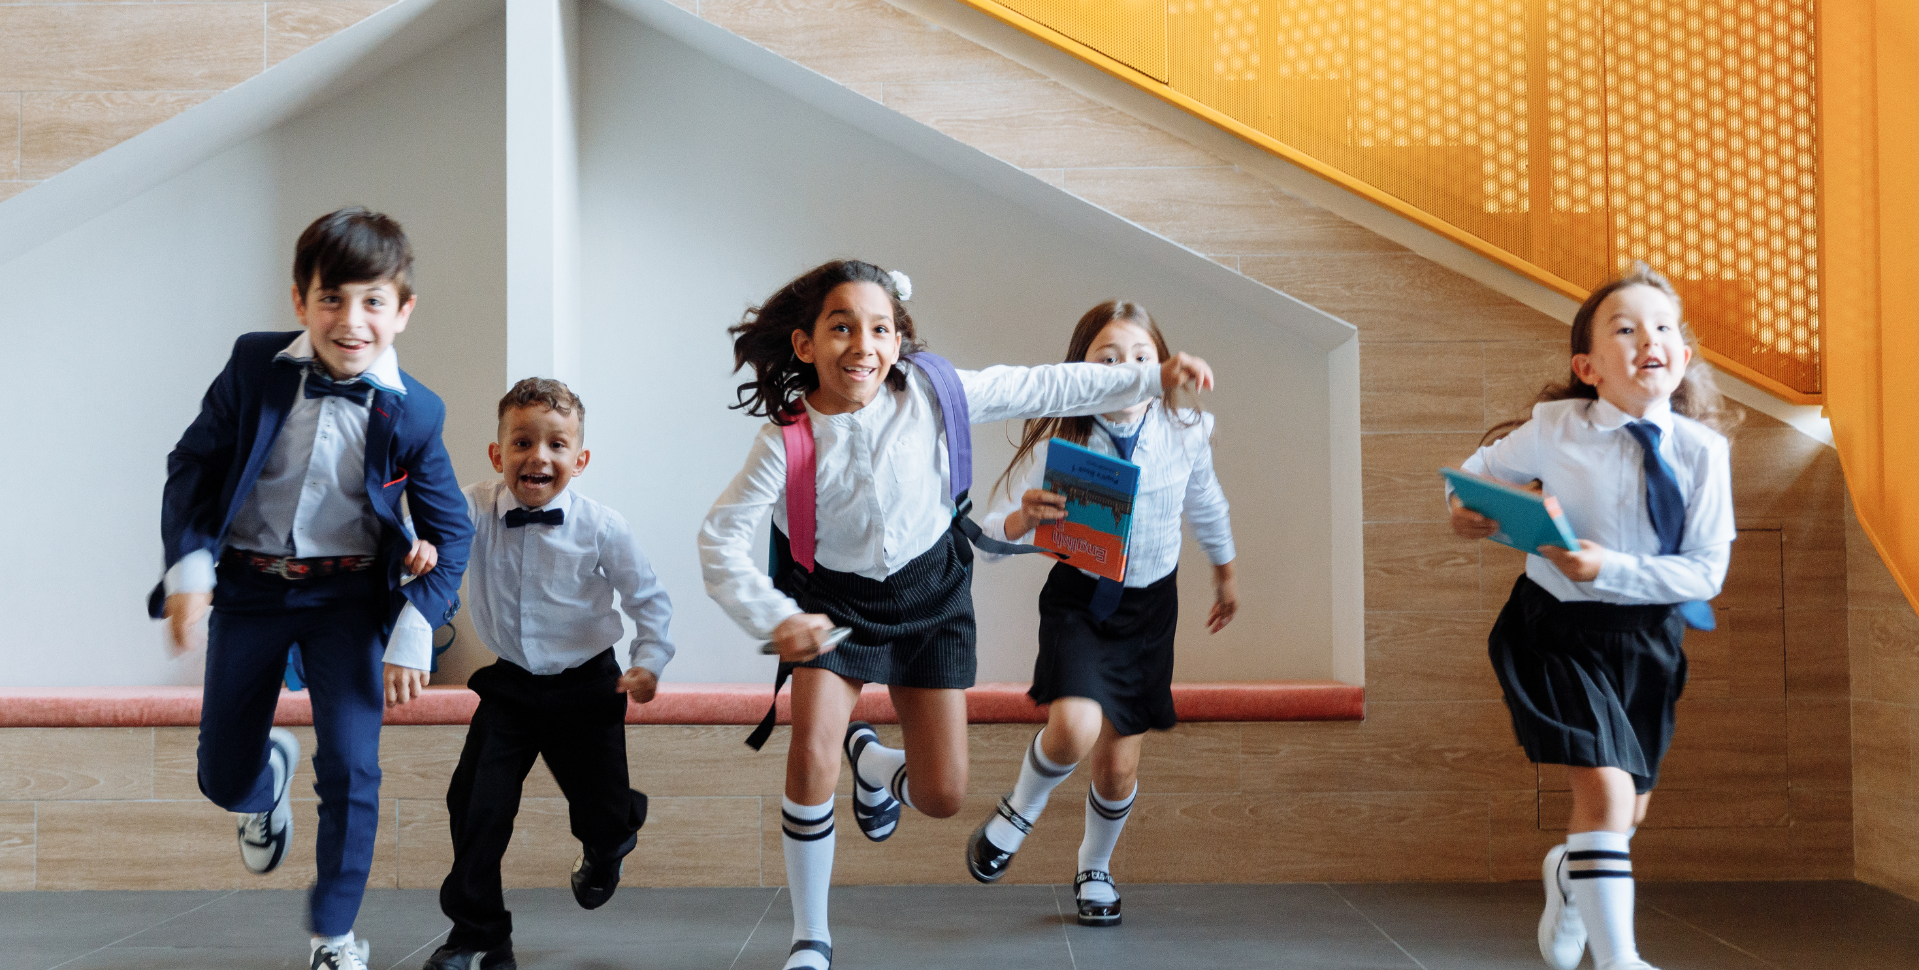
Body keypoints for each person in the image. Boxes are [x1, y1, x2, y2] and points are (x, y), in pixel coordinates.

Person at [698, 260, 1214, 970]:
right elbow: (719, 538)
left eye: (880, 329)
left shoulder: (934, 394)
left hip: (931, 597)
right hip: (832, 607)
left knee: (942, 794)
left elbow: (1044, 384)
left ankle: (872, 764)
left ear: (898, 339)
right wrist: (772, 616)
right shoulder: (784, 441)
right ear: (805, 344)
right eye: (841, 328)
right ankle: (810, 937)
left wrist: (1150, 379)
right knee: (811, 752)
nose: (863, 345)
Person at [153, 207, 472, 970]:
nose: (351, 321)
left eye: (373, 301)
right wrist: (190, 569)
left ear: (403, 311)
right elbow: (192, 465)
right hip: (249, 588)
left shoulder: (418, 412)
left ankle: (334, 937)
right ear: (300, 300)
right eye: (332, 298)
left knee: (353, 769)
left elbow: (453, 533)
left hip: (348, 602)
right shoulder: (253, 364)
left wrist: (413, 628)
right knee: (220, 775)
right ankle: (263, 782)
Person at [1448, 264, 1739, 970]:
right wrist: (1463, 510)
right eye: (1626, 328)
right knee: (1605, 794)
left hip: (1647, 638)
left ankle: (1569, 875)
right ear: (1588, 367)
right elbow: (1472, 478)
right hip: (1555, 629)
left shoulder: (1702, 453)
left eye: (1663, 327)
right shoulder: (1555, 428)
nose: (1649, 339)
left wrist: (1606, 566)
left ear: (1683, 357)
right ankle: (1620, 961)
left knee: (1626, 809)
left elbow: (1705, 573)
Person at [963, 300, 1237, 929]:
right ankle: (1018, 811)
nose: (1126, 371)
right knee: (1073, 729)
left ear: (1162, 365)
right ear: (1081, 370)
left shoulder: (1188, 429)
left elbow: (1206, 502)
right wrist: (1024, 518)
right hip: (1080, 603)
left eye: (1141, 358)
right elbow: (993, 541)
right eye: (1107, 360)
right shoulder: (1066, 440)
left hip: (1149, 610)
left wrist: (1225, 575)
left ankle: (1095, 865)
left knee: (1118, 768)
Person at [421, 378, 673, 970]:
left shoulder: (603, 526)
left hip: (589, 685)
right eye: (522, 442)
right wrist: (416, 545)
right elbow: (426, 527)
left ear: (579, 461)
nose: (539, 456)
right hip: (510, 685)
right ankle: (479, 935)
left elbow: (648, 599)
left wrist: (649, 660)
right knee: (474, 805)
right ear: (497, 454)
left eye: (557, 445)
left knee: (602, 811)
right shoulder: (472, 508)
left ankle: (611, 840)